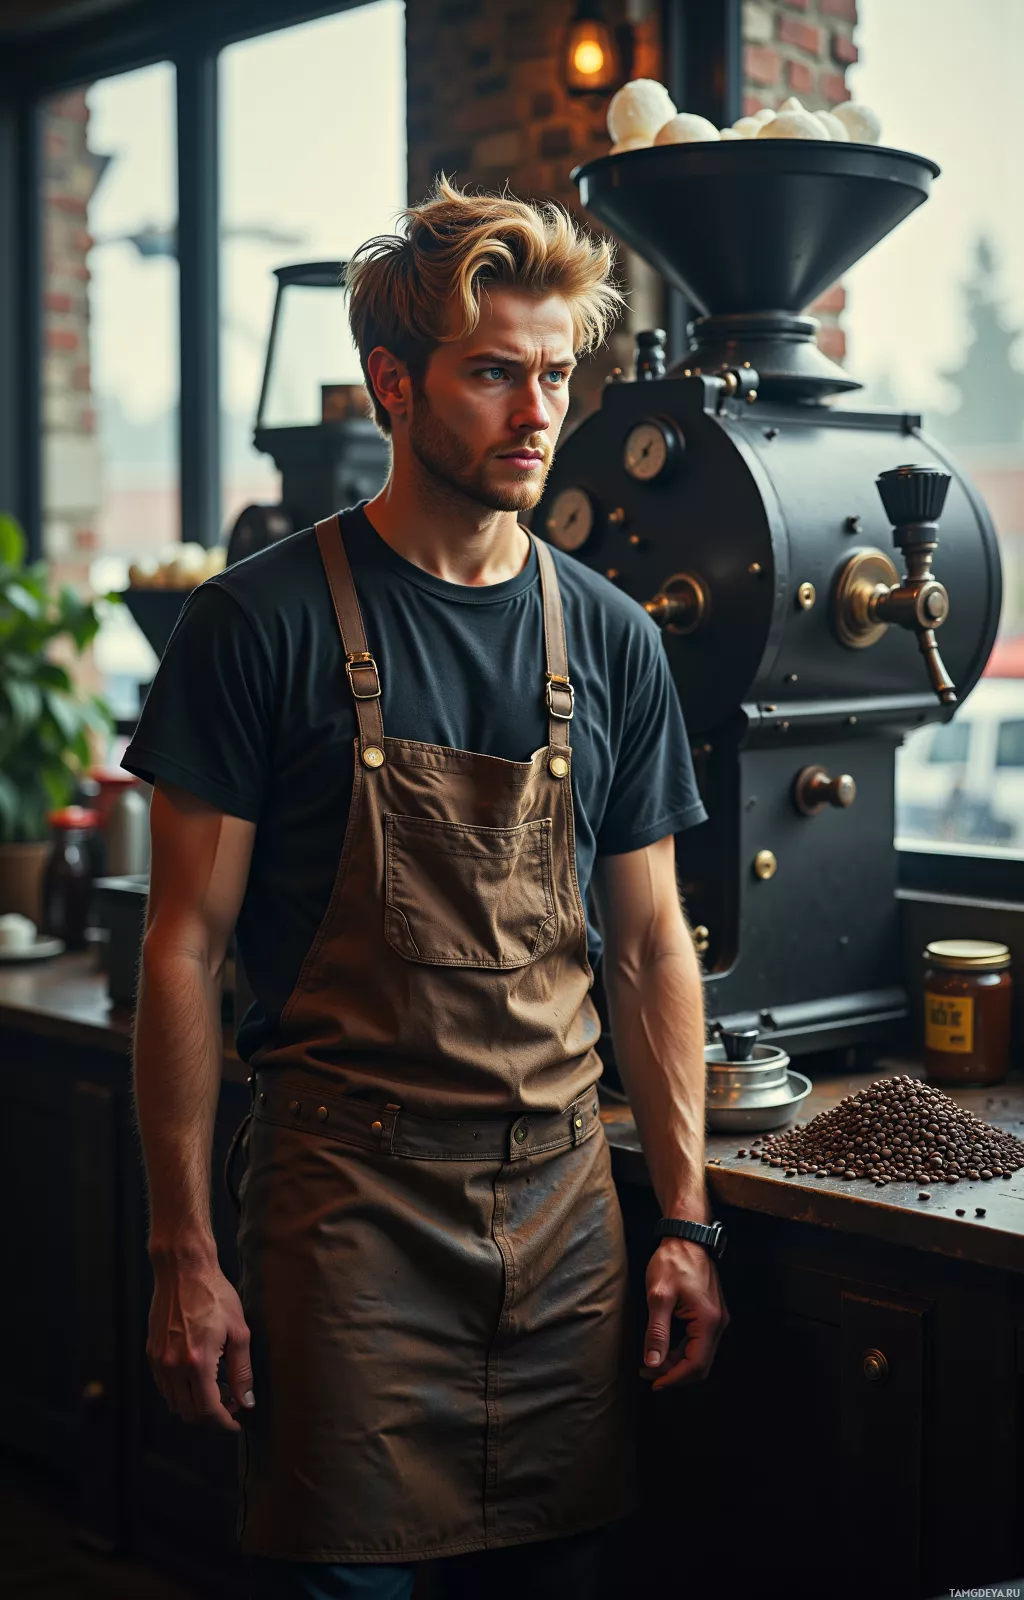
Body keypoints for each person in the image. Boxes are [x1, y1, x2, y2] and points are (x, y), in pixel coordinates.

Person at [126, 177, 727, 1600]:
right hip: (345, 1220)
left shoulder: (615, 640)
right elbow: (180, 954)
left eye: (558, 376)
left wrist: (689, 1219)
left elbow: (648, 949)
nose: (537, 414)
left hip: (567, 1222)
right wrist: (184, 1255)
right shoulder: (252, 625)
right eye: (495, 375)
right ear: (392, 383)